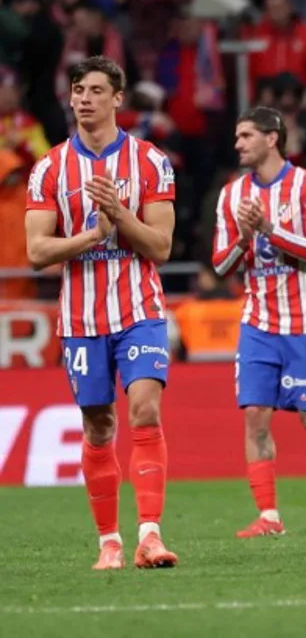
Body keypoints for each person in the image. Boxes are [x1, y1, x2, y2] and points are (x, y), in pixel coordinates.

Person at [24, 56, 178, 570]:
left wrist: (118, 213)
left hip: (139, 308)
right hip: (82, 320)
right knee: (97, 424)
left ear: (118, 98)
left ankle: (150, 536)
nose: (84, 98)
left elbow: (159, 247)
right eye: (77, 89)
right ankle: (109, 541)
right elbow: (37, 252)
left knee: (145, 410)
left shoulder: (150, 161)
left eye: (95, 90)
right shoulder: (50, 168)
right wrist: (91, 236)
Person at [210, 106, 306, 539]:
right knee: (255, 415)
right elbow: (221, 267)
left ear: (272, 137)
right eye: (237, 137)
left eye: (246, 136)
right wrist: (244, 236)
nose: (238, 144)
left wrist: (270, 229)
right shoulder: (230, 195)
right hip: (258, 323)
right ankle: (269, 517)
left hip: (304, 323)